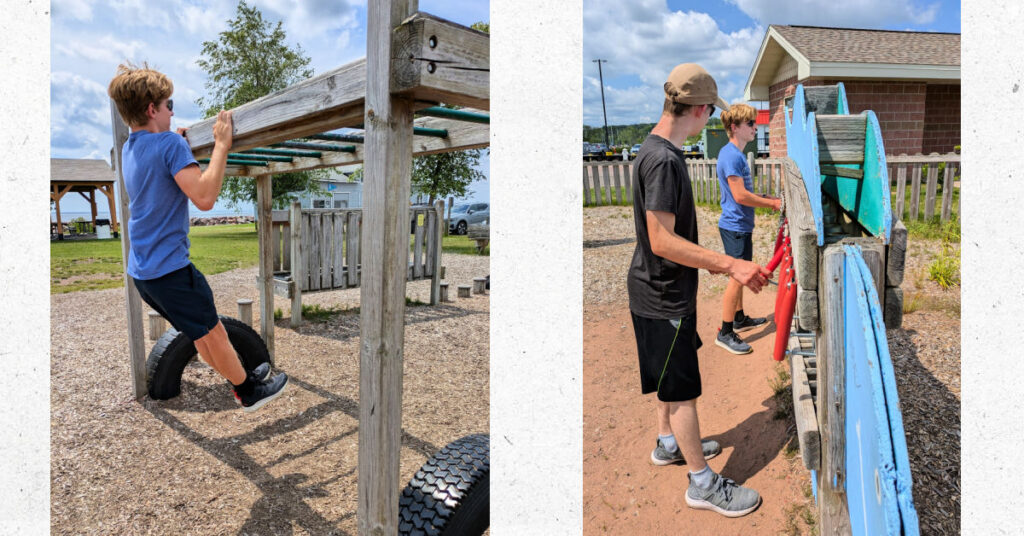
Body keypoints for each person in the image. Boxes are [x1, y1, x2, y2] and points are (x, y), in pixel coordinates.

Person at [627, 63, 768, 518]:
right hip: (662, 295)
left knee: (670, 378)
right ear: (702, 109)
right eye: (712, 112)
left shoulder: (653, 148)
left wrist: (702, 261)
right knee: (683, 391)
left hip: (659, 289)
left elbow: (667, 240)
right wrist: (730, 264)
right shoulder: (666, 159)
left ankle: (668, 443)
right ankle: (702, 483)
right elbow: (661, 240)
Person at [108, 63, 288, 412]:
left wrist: (173, 137)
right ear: (152, 109)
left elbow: (160, 160)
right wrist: (221, 144)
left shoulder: (131, 149)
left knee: (200, 332)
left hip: (144, 274)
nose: (172, 110)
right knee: (214, 333)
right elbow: (204, 198)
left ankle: (241, 376)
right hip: (171, 271)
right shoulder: (170, 146)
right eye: (169, 104)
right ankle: (248, 391)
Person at [714, 104, 782, 355]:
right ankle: (725, 332)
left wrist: (766, 197)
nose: (755, 128)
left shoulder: (735, 154)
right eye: (750, 124)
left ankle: (739, 318)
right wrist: (772, 203)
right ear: (735, 128)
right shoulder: (731, 155)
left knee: (741, 274)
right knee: (736, 277)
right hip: (735, 227)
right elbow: (740, 196)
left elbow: (746, 193)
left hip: (739, 225)